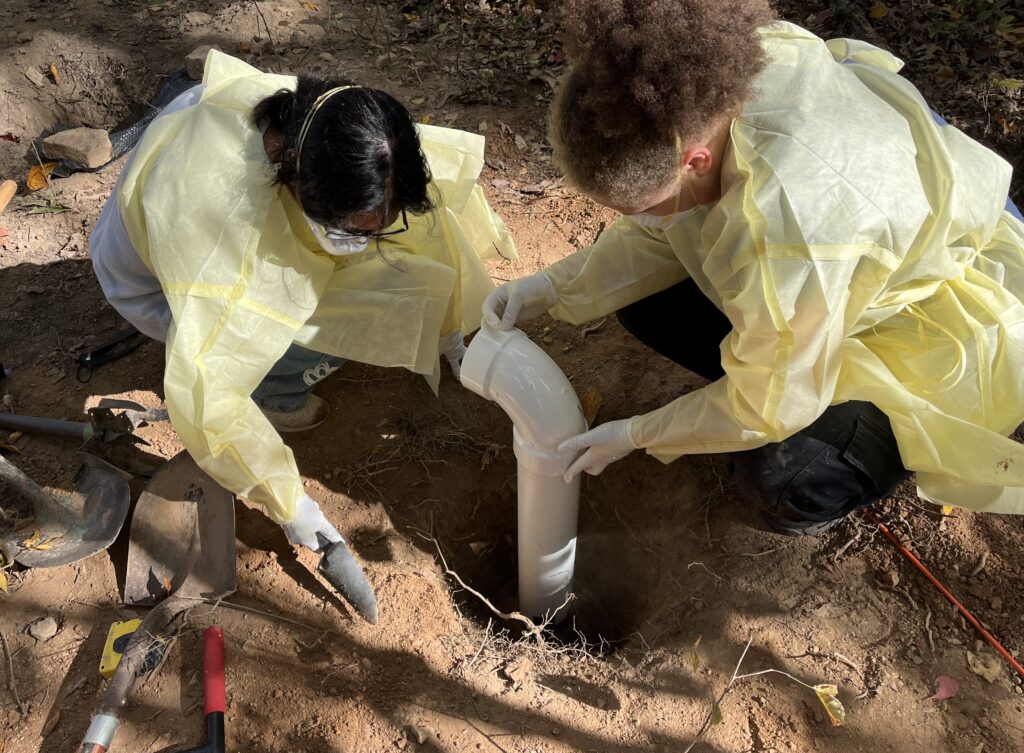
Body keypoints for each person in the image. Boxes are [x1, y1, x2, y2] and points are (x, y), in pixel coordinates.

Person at [483, 0, 1024, 536]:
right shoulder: (707, 77)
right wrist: (549, 287)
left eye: (643, 207)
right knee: (645, 299)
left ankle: (852, 458)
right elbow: (666, 232)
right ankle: (750, 377)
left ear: (695, 160)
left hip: (950, 309)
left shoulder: (787, 227)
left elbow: (771, 400)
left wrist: (635, 434)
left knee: (787, 475)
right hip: (877, 233)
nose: (639, 222)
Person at [90, 50, 515, 551]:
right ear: (298, 189)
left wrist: (450, 327)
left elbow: (426, 222)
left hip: (200, 226)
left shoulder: (328, 124)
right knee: (314, 321)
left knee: (392, 254)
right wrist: (289, 502)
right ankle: (277, 392)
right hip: (162, 287)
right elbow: (208, 384)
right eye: (354, 231)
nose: (369, 237)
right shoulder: (223, 249)